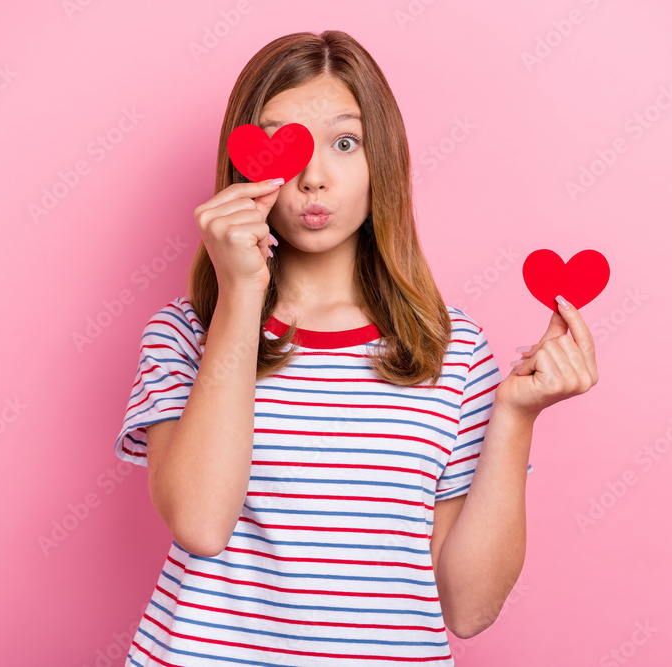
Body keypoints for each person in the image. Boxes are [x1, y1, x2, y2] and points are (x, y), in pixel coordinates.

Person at [113, 30, 598, 667]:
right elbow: (201, 525)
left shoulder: (451, 351)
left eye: (345, 143)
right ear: (246, 164)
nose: (314, 177)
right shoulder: (184, 334)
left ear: (382, 163)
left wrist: (516, 416)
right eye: (290, 146)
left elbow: (469, 607)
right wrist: (239, 293)